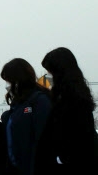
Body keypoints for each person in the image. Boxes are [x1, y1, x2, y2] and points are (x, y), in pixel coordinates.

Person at [33, 47, 98, 175]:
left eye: (50, 73)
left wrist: (61, 158)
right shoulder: (64, 97)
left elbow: (79, 138)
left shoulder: (75, 100)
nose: (47, 77)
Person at [0, 58, 51, 175]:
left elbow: (42, 139)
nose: (7, 86)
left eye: (9, 81)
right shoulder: (16, 106)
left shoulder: (39, 101)